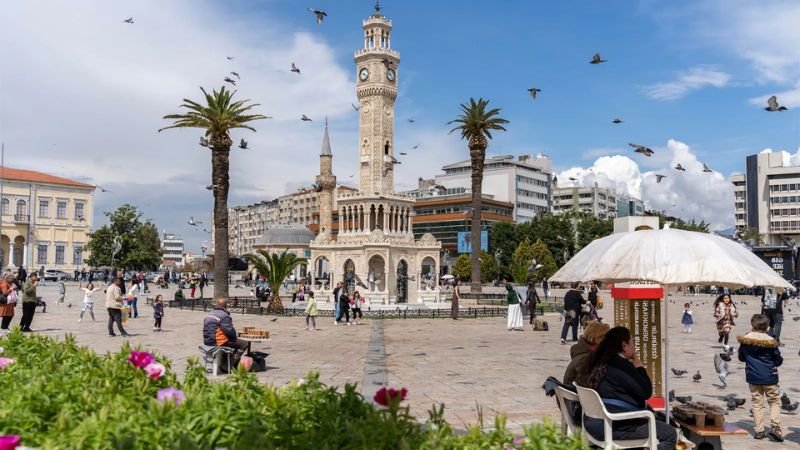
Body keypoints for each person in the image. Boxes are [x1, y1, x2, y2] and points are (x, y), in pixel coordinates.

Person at [579, 326, 678, 450]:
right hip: (614, 426)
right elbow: (646, 392)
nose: (634, 346)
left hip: (592, 422)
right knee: (669, 433)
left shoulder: (596, 361)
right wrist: (639, 367)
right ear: (624, 345)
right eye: (632, 342)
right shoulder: (621, 366)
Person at [737, 314, 784, 442]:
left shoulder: (746, 340)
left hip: (753, 377)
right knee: (774, 402)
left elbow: (741, 358)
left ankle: (759, 431)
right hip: (770, 376)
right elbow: (778, 360)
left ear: (752, 325)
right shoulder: (771, 341)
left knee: (757, 404)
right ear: (768, 327)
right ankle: (775, 427)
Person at [203, 297, 251, 369]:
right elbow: (229, 330)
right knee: (244, 343)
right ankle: (227, 366)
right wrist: (234, 337)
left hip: (207, 340)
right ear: (225, 305)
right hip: (217, 341)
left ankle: (225, 362)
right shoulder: (223, 315)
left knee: (231, 342)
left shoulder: (211, 313)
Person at [563, 320, 610, 386]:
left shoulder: (583, 351)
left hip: (574, 392)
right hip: (576, 393)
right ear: (597, 339)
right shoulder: (585, 358)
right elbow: (586, 385)